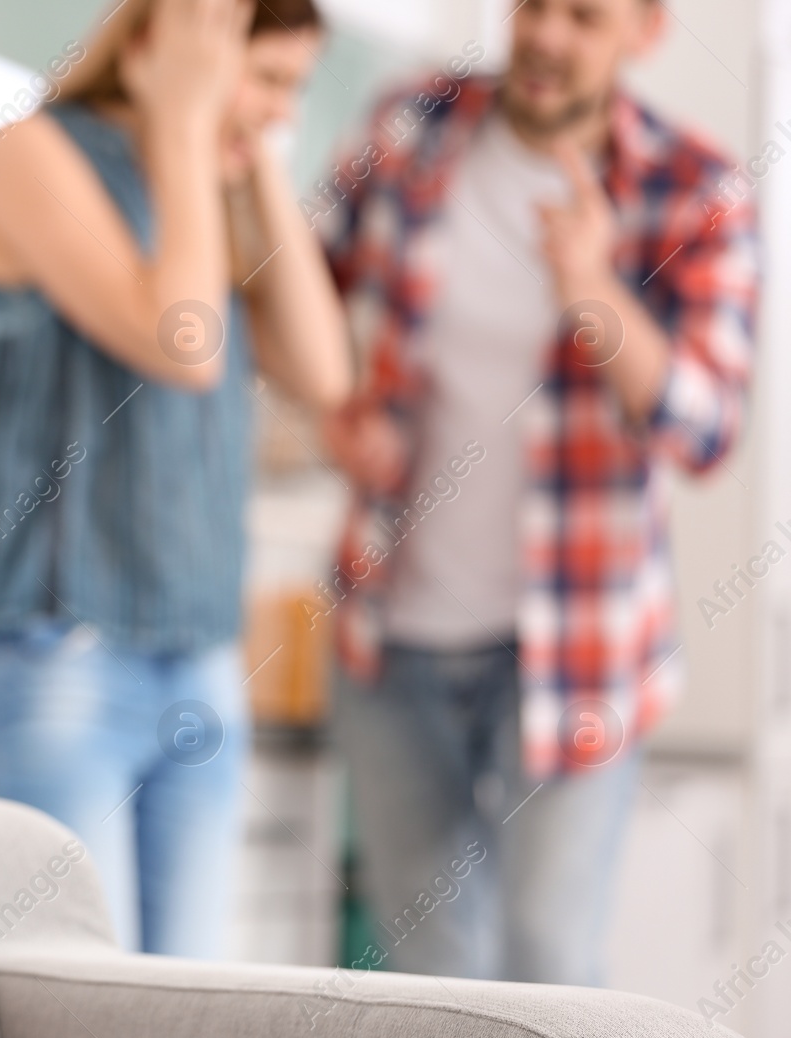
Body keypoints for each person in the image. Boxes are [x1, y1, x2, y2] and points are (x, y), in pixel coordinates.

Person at [315, 0, 759, 984]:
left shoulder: (697, 190)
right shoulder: (408, 128)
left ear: (644, 30)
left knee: (548, 963)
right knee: (429, 973)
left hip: (580, 650)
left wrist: (590, 288)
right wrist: (327, 409)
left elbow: (703, 427)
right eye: (533, 8)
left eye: (583, 17)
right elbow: (293, 277)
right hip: (392, 640)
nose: (548, 37)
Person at [0, 0, 352, 958]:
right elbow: (183, 342)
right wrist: (189, 124)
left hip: (199, 655)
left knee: (184, 1025)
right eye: (267, 81)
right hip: (61, 653)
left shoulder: (209, 188)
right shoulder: (34, 154)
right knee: (73, 1017)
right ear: (161, 44)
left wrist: (251, 154)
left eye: (295, 89)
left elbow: (325, 372)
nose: (280, 110)